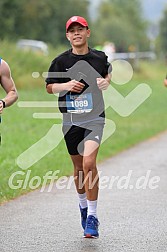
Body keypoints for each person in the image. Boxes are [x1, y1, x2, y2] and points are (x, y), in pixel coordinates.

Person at [46, 16, 112, 238]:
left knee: (89, 162)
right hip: (71, 120)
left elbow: (107, 71)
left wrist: (106, 81)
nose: (76, 33)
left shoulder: (99, 57)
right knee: (79, 169)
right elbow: (49, 87)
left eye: (80, 29)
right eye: (72, 30)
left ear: (88, 32)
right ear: (67, 35)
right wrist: (65, 85)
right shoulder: (60, 61)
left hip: (95, 118)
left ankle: (92, 216)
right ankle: (83, 207)